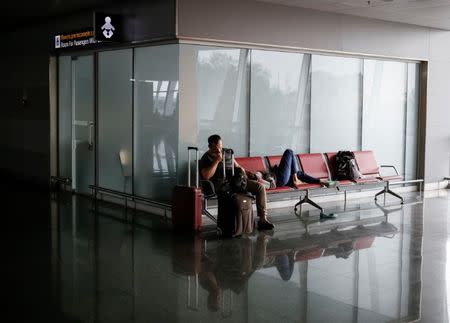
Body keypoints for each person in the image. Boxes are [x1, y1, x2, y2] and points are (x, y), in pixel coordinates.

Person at [199, 134, 274, 231]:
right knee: (236, 190)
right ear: (210, 146)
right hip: (222, 185)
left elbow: (238, 166)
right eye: (216, 148)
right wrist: (217, 161)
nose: (219, 151)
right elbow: (206, 176)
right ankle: (236, 221)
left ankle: (263, 220)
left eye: (220, 147)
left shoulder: (227, 152)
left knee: (260, 187)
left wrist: (246, 172)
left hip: (236, 181)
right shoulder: (206, 158)